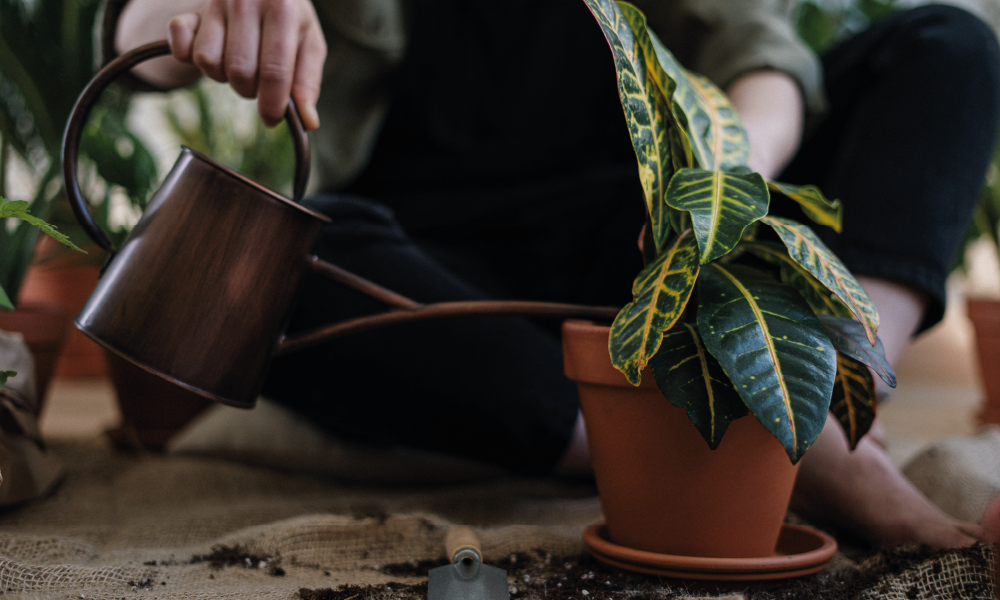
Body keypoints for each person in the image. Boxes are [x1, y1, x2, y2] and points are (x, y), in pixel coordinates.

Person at [106, 0, 1000, 549]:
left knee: (948, 47)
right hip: (426, 258)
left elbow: (763, 59)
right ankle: (689, 444)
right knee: (278, 268)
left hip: (646, 244)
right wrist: (216, 9)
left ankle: (840, 404)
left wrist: (720, 190)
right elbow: (133, 28)